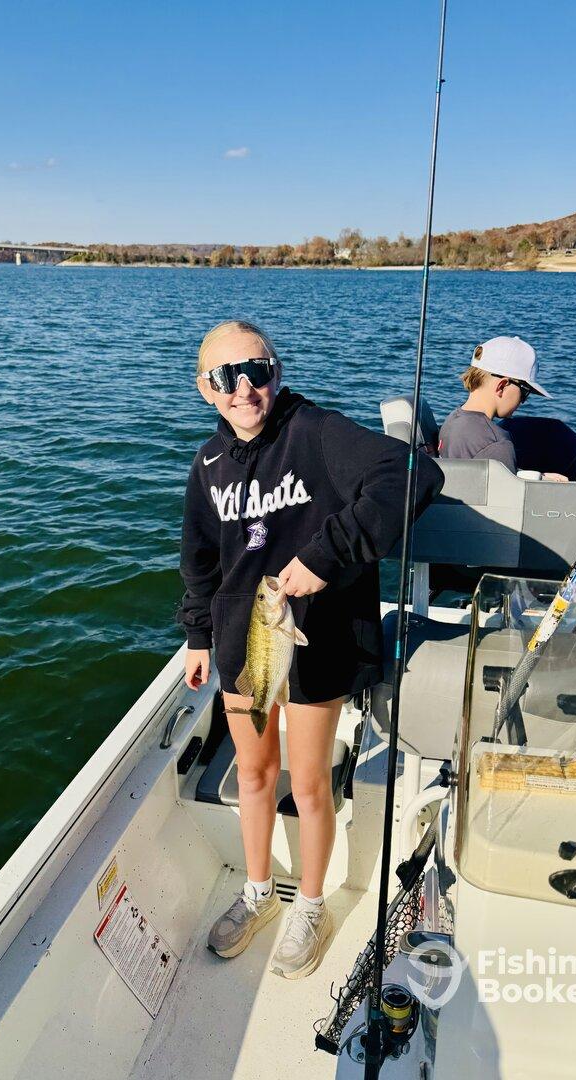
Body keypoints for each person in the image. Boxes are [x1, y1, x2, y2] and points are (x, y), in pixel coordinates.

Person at [176, 319, 442, 979]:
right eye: (224, 378)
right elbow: (200, 561)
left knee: (313, 780)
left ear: (277, 370)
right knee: (255, 774)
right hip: (246, 643)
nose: (243, 389)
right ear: (204, 389)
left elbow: (413, 474)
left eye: (255, 371)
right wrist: (198, 637)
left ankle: (312, 904)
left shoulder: (318, 433)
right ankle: (260, 892)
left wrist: (327, 554)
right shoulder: (207, 465)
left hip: (318, 642)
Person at [438, 335, 567, 481]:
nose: (523, 402)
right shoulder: (496, 442)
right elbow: (508, 498)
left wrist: (539, 477)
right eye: (525, 393)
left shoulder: (452, 420)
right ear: (502, 386)